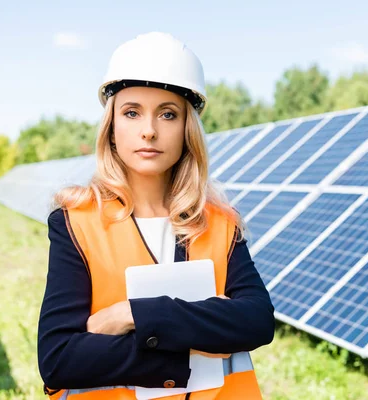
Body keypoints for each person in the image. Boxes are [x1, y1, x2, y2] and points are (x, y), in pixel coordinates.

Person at [37, 32, 275, 400]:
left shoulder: (221, 223)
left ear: (186, 130)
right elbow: (59, 359)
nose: (149, 130)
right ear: (112, 128)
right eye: (132, 112)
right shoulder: (75, 222)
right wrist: (201, 330)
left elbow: (256, 322)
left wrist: (133, 315)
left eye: (168, 114)